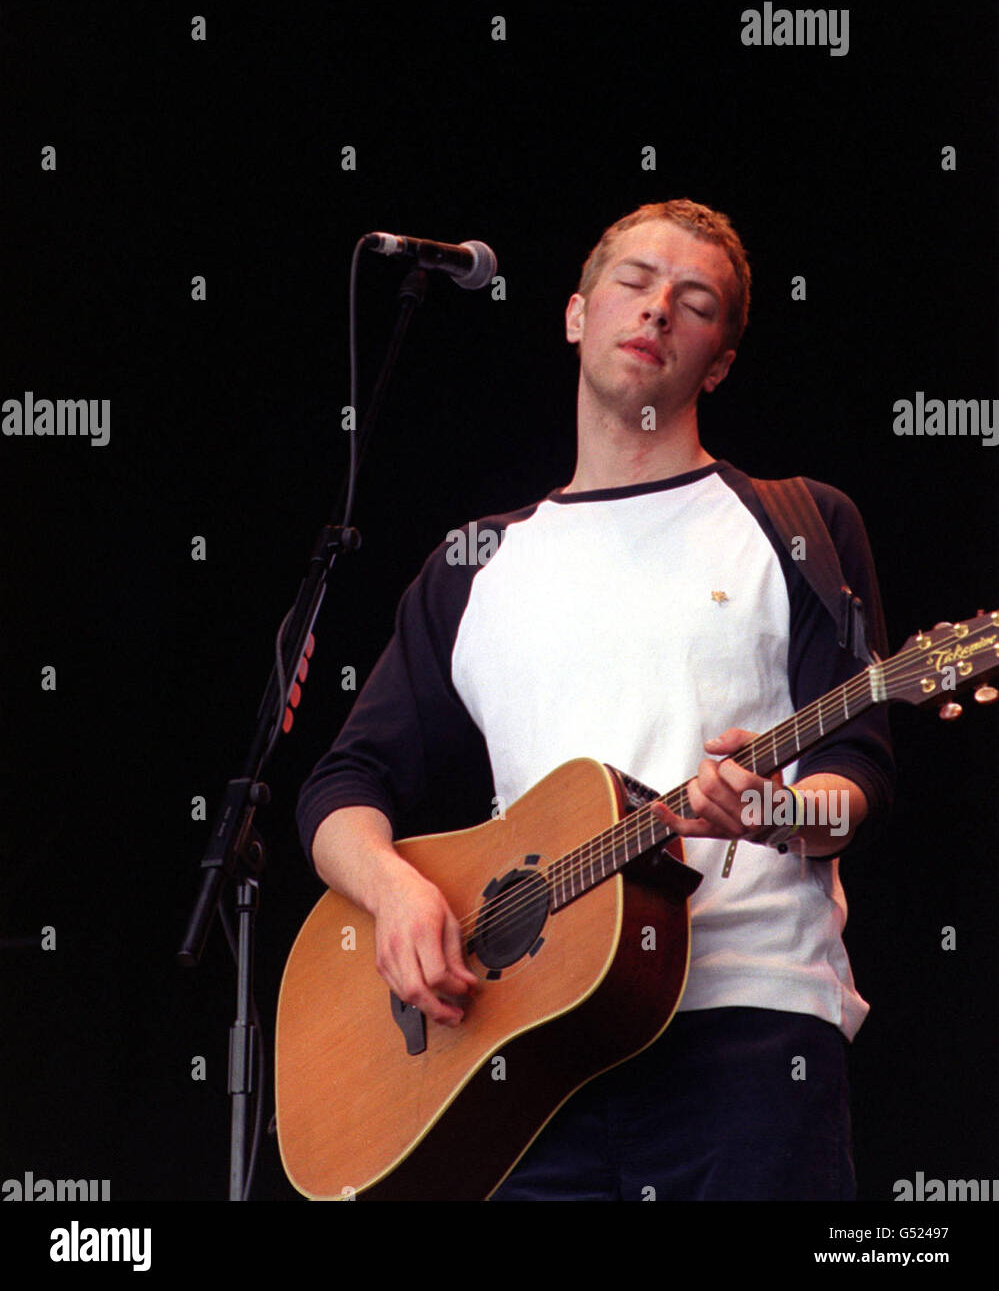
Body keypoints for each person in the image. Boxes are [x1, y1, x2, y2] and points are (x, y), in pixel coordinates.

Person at [296, 199, 894, 1200]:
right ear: (575, 315)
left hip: (748, 1035)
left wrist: (782, 809)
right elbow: (345, 784)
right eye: (635, 281)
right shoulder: (476, 564)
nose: (658, 309)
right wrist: (395, 892)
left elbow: (861, 771)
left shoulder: (800, 523)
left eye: (694, 301)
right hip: (521, 1055)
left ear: (720, 361)